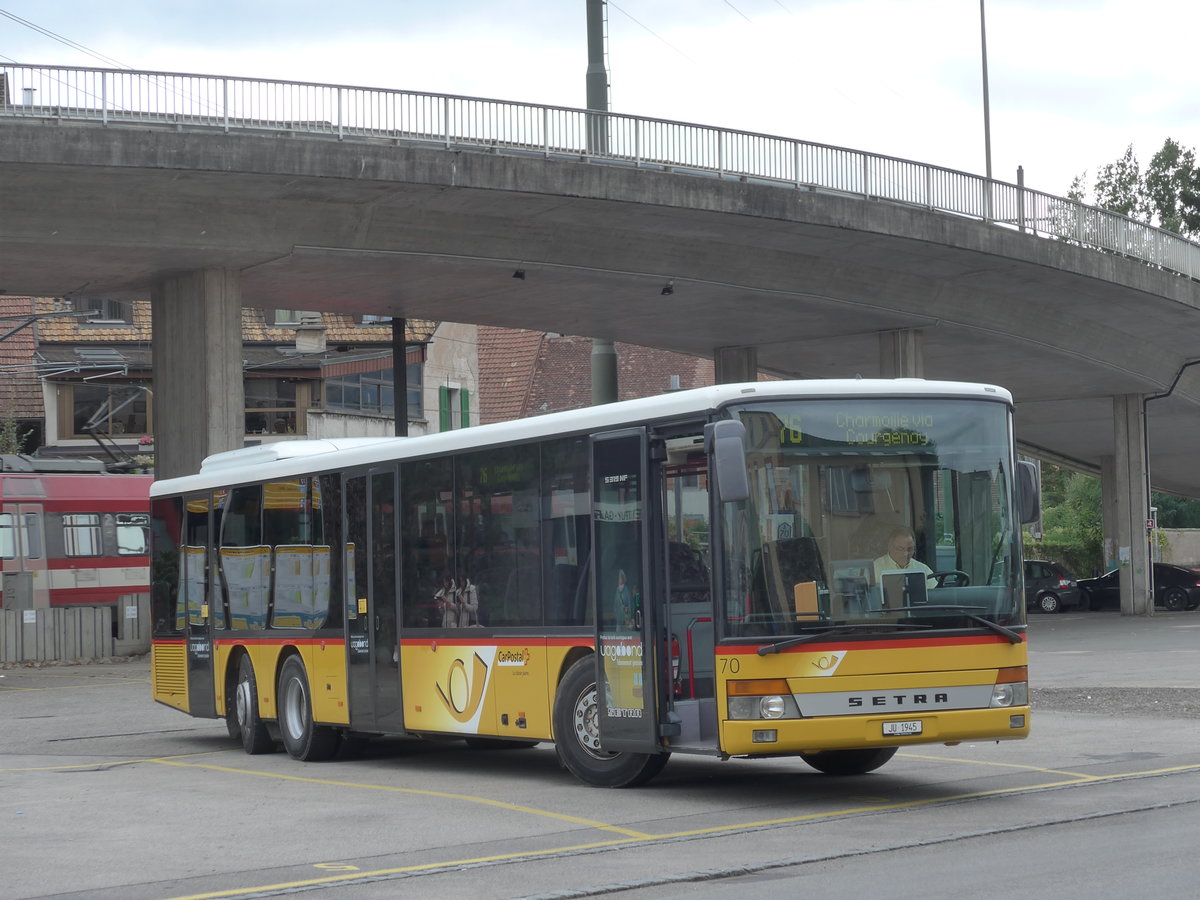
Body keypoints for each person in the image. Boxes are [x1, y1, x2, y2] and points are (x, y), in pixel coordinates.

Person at [872, 526, 937, 589]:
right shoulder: (875, 568)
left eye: (910, 549)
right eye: (900, 549)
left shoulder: (923, 569)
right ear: (890, 547)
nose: (906, 554)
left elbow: (937, 595)